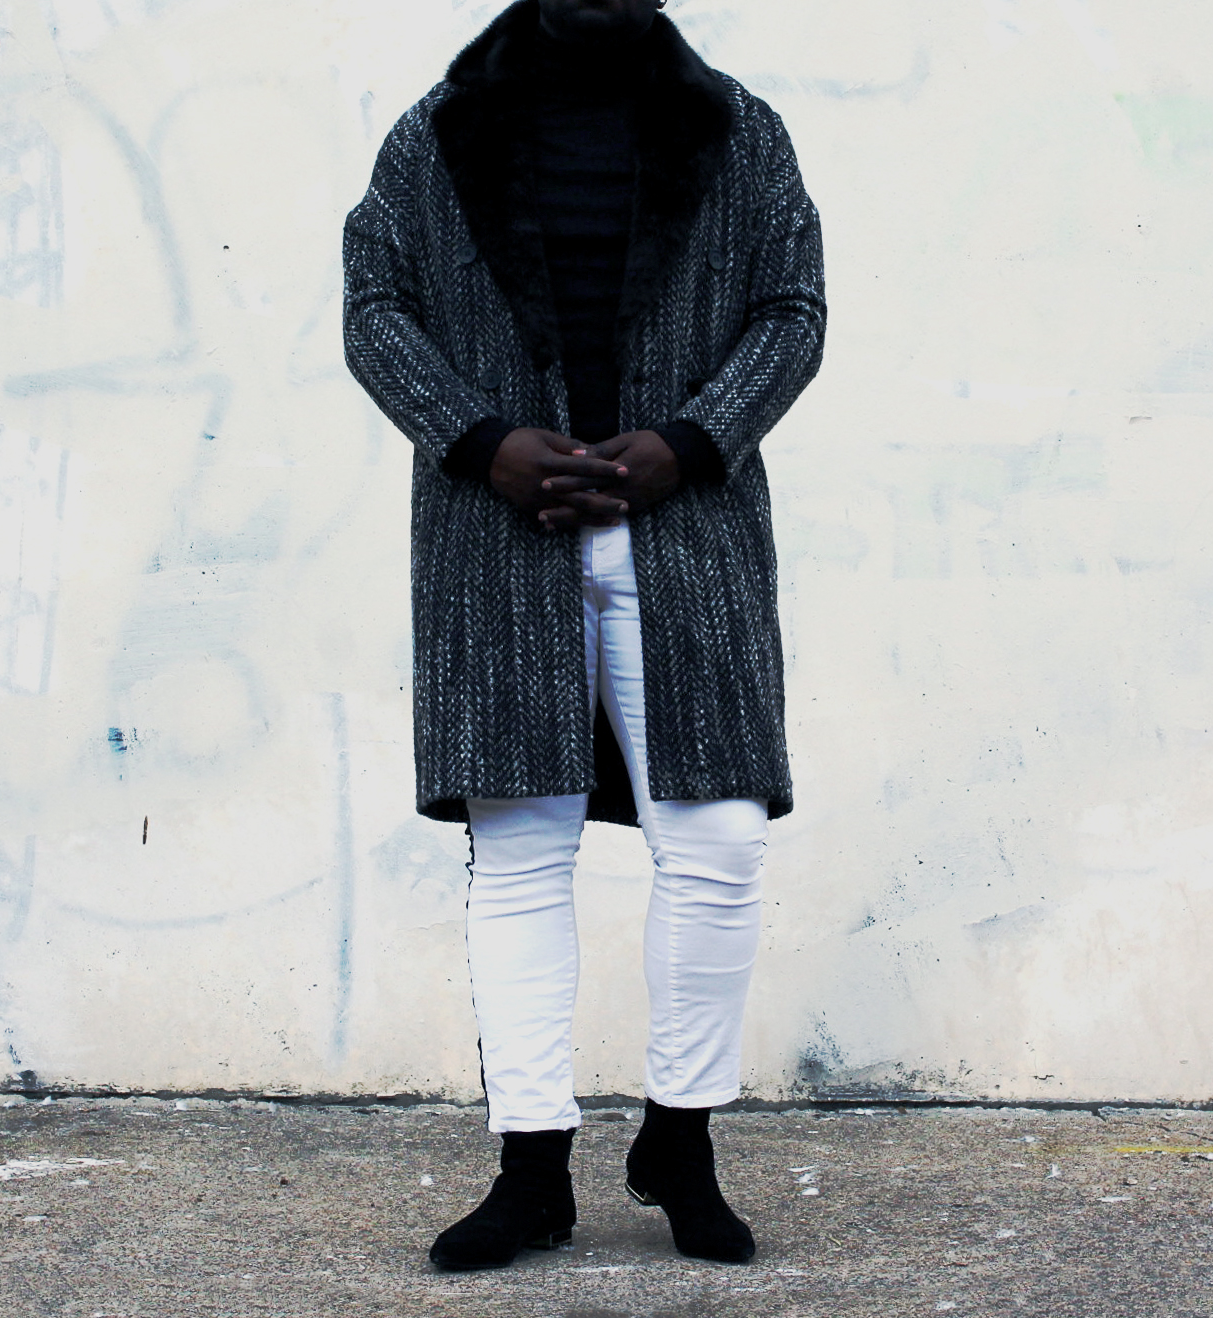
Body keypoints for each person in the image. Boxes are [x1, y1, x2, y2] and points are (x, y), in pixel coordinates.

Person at [341, 0, 825, 1272]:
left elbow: (791, 311)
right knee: (518, 850)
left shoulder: (736, 133)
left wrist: (692, 441)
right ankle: (530, 1169)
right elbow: (375, 309)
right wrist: (478, 441)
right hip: (498, 543)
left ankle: (680, 1138)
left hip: (690, 535)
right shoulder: (436, 136)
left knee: (718, 842)